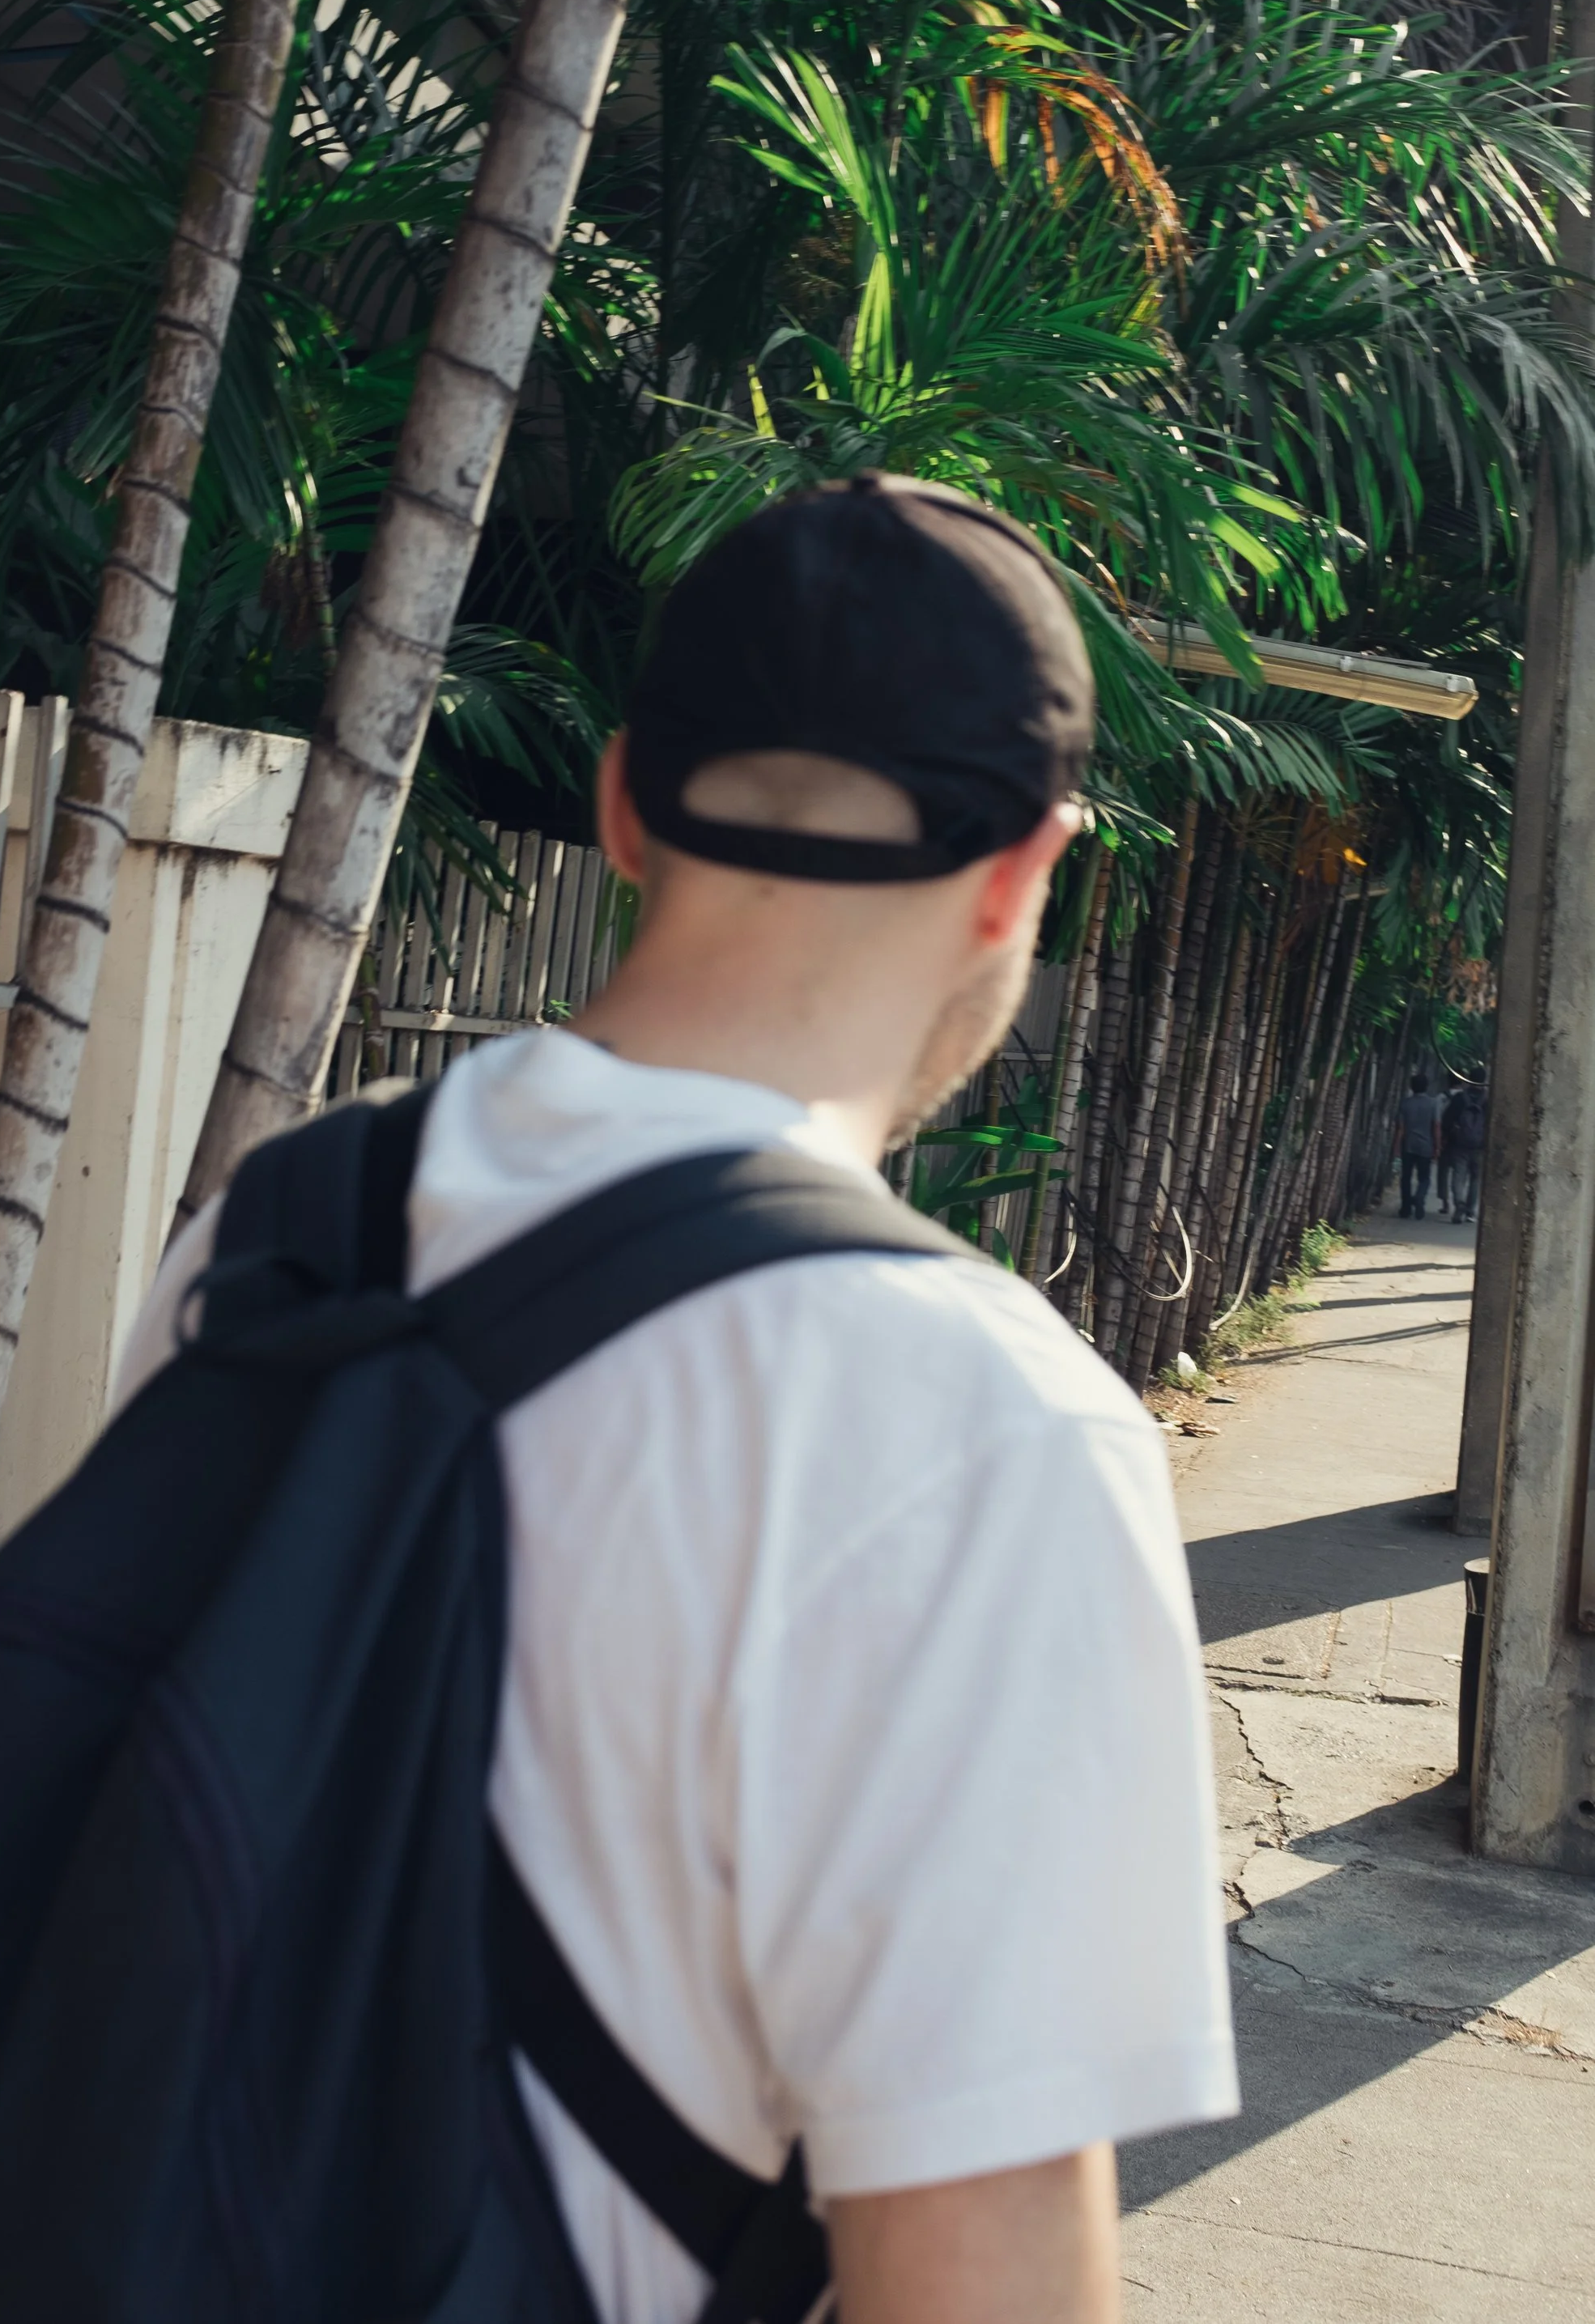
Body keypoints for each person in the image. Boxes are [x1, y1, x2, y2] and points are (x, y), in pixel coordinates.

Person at [119, 478, 1236, 2324]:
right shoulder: (989, 1430)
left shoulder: (289, 1227)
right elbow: (977, 2279)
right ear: (1021, 871)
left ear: (623, 803)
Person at [1444, 1070, 1488, 1224]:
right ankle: (1470, 1211)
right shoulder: (1488, 1100)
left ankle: (1459, 1203)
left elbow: (1447, 1120)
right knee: (1475, 1179)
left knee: (1458, 1176)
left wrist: (1449, 1136)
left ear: (1469, 1079)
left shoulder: (1459, 1098)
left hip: (1460, 1144)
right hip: (1480, 1146)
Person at [1396, 1073, 1441, 1219]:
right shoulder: (1433, 1104)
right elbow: (1436, 1126)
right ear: (1426, 1087)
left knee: (1406, 1177)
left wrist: (1397, 1147)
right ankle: (1419, 1197)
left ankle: (1406, 1208)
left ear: (1412, 1087)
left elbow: (1401, 1128)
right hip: (1426, 1145)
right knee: (1424, 1178)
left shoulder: (1405, 1103)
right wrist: (1437, 1146)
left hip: (1408, 1145)